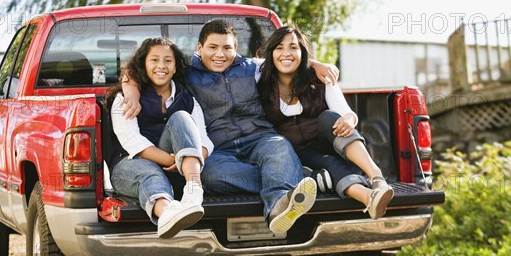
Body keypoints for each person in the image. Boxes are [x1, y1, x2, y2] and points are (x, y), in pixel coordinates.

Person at [121, 20, 339, 233]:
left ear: (236, 48)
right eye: (213, 47)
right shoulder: (186, 73)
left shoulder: (251, 68)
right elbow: (141, 69)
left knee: (280, 148)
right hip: (219, 146)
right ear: (200, 48)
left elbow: (286, 59)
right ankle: (296, 177)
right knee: (210, 176)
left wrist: (316, 64)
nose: (220, 54)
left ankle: (278, 209)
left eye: (227, 48)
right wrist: (131, 92)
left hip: (260, 137)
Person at [257, 25, 395, 219]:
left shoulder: (320, 79)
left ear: (302, 52)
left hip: (331, 143)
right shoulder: (260, 80)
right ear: (271, 52)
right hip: (297, 154)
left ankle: (376, 177)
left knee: (328, 117)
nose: (286, 53)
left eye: (293, 47)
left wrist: (349, 118)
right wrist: (314, 62)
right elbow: (235, 61)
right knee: (329, 164)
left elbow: (348, 114)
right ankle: (369, 197)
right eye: (279, 47)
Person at [108, 37, 214, 238]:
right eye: (154, 60)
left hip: (179, 170)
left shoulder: (188, 100)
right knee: (151, 174)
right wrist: (175, 160)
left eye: (168, 61)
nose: (161, 66)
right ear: (144, 65)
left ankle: (193, 190)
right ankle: (168, 215)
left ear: (175, 67)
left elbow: (205, 140)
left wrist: (189, 159)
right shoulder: (126, 98)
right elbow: (132, 141)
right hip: (130, 165)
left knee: (181, 117)